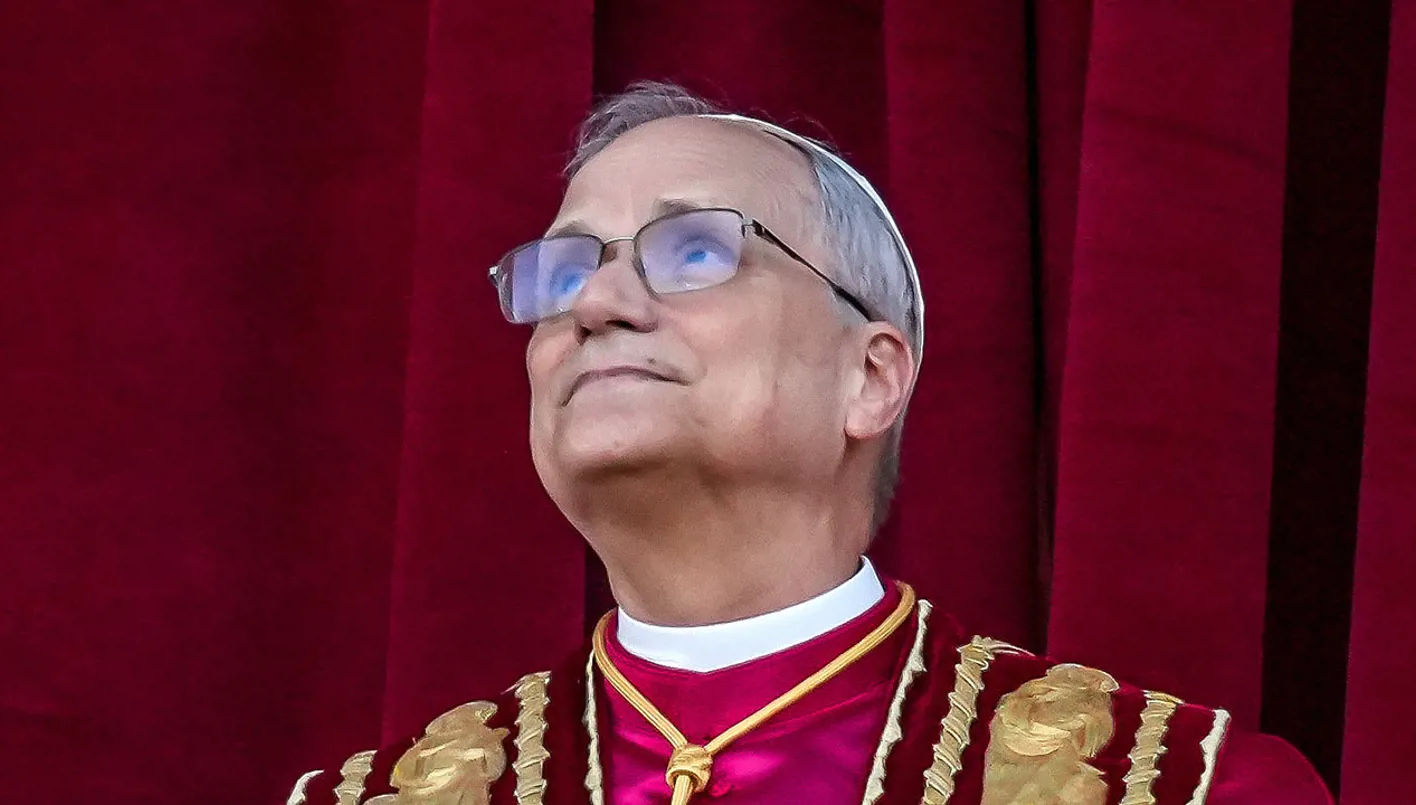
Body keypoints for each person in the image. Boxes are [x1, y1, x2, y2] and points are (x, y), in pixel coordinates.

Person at [286, 83, 1330, 805]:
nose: (596, 303)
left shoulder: (1174, 784)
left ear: (869, 377)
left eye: (693, 251)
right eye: (562, 273)